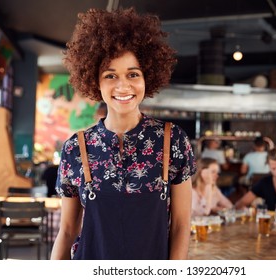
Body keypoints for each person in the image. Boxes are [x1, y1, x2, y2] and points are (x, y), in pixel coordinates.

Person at [51, 8, 196, 260]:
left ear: (147, 78)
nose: (122, 85)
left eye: (133, 74)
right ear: (94, 81)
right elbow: (67, 230)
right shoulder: (76, 148)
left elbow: (182, 226)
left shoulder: (172, 140)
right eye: (110, 75)